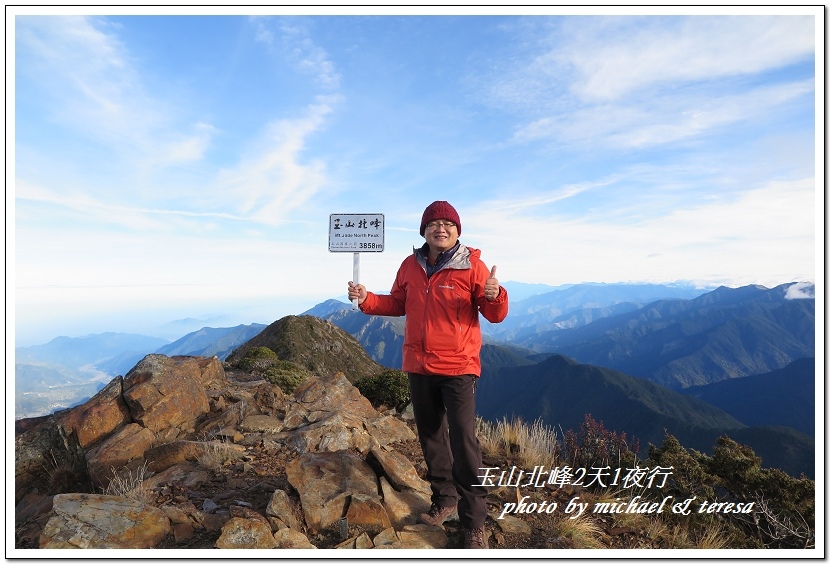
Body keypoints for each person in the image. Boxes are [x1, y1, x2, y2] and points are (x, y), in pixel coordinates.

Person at [347, 200, 508, 549]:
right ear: (424, 230)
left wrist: (496, 296)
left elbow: (494, 314)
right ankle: (444, 500)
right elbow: (397, 303)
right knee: (432, 437)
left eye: (447, 224)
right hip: (419, 365)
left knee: (465, 443)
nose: (441, 228)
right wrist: (366, 299)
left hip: (458, 366)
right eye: (433, 223)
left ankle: (473, 522)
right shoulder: (410, 265)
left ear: (457, 231)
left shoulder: (473, 267)